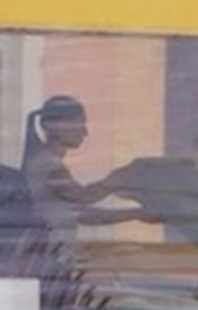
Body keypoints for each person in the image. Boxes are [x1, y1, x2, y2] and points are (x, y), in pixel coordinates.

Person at [20, 96, 144, 242]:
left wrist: (136, 213)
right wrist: (116, 180)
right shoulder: (47, 164)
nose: (85, 132)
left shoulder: (44, 162)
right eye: (79, 124)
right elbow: (84, 197)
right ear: (53, 126)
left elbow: (82, 214)